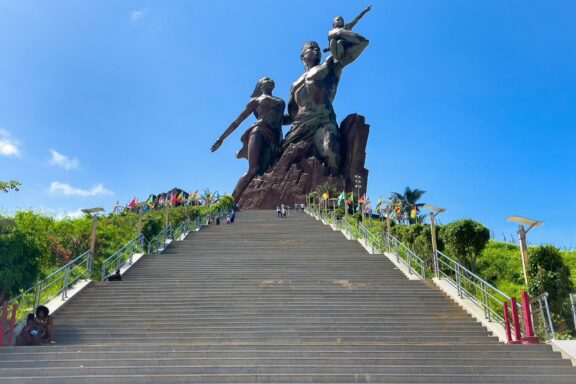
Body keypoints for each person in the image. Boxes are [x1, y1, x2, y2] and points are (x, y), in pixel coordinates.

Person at [211, 77, 286, 200]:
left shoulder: (281, 102)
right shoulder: (256, 101)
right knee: (253, 169)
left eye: (271, 79)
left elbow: (282, 120)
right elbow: (237, 121)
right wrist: (221, 138)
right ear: (261, 85)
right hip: (258, 132)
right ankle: (231, 201)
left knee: (267, 170)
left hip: (275, 137)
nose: (270, 80)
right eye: (266, 79)